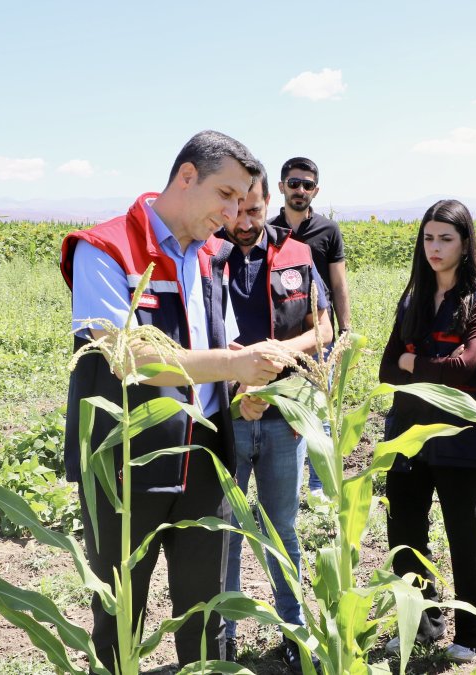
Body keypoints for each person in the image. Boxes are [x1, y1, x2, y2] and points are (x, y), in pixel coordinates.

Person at [60, 131, 288, 671]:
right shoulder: (107, 248)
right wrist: (231, 365)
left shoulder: (209, 257)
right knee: (120, 614)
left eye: (242, 201)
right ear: (187, 177)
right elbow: (127, 355)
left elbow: (219, 343)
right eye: (226, 195)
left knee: (204, 611)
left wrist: (241, 386)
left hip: (204, 461)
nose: (235, 213)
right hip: (125, 465)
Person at [378, 199, 476, 665]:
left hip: (461, 437)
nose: (435, 248)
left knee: (464, 533)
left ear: (465, 243)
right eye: (429, 238)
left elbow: (465, 367)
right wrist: (422, 366)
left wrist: (414, 361)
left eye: (446, 239)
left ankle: (475, 635)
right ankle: (420, 623)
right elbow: (385, 369)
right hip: (406, 434)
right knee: (406, 533)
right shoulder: (413, 300)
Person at [217, 169, 331, 670]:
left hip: (285, 414)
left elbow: (322, 327)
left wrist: (276, 353)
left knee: (281, 526)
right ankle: (226, 632)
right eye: (236, 211)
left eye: (254, 211)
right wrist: (238, 381)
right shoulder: (205, 257)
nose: (244, 221)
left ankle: (293, 628)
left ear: (269, 203)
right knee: (226, 529)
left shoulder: (298, 256)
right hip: (228, 414)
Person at [269, 157, 352, 500]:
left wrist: (346, 329)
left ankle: (321, 489)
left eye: (307, 185)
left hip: (321, 337)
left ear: (315, 190)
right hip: (283, 336)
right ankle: (285, 486)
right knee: (283, 412)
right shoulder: (268, 230)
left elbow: (339, 283)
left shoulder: (328, 231)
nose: (300, 190)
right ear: (281, 187)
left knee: (322, 410)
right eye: (293, 183)